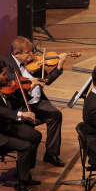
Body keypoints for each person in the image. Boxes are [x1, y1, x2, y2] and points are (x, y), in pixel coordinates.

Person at [1, 37, 66, 167]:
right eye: (28, 52)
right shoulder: (6, 64)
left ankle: (51, 154)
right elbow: (14, 86)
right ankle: (27, 163)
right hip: (20, 104)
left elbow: (46, 80)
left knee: (56, 115)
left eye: (31, 51)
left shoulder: (33, 63)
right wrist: (29, 85)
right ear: (16, 54)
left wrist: (58, 67)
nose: (31, 55)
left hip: (36, 101)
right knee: (30, 124)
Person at [0, 71, 42, 191]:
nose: (6, 77)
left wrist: (29, 89)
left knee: (36, 136)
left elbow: (15, 104)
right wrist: (21, 114)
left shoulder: (3, 89)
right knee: (25, 146)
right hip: (1, 134)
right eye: (3, 74)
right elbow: (2, 111)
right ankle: (22, 185)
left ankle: (26, 173)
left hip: (6, 126)